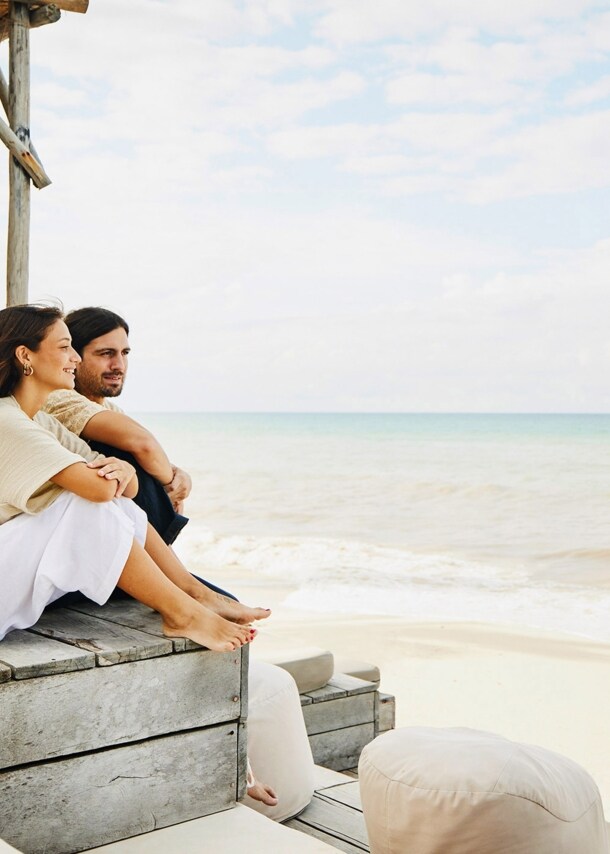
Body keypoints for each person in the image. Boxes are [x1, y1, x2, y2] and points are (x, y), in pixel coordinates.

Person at [0, 305, 271, 651]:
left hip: (17, 567)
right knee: (87, 504)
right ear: (26, 355)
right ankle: (183, 612)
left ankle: (192, 593)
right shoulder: (6, 420)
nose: (75, 358)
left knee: (114, 504)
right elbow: (98, 490)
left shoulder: (39, 420)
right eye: (65, 347)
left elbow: (125, 487)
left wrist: (122, 470)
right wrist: (118, 472)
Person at [43, 307, 191, 546]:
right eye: (106, 353)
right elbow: (142, 444)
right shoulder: (57, 398)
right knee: (123, 453)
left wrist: (179, 476)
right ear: (74, 357)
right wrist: (169, 487)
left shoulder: (107, 409)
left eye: (124, 353)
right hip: (72, 535)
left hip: (118, 534)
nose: (119, 365)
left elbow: (148, 449)